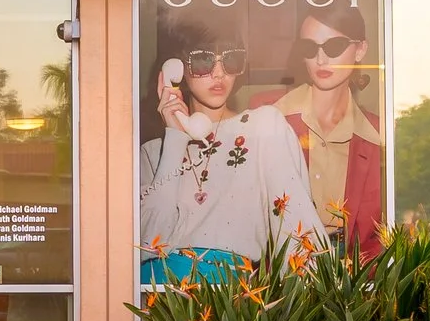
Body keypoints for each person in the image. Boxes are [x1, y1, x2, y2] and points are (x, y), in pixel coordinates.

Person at [138, 17, 325, 282]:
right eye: (203, 60)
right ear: (176, 70)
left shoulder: (263, 127)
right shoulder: (153, 153)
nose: (219, 73)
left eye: (231, 60)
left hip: (230, 305)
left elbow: (297, 227)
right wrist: (175, 138)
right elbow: (147, 244)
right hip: (158, 304)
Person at [256, 0, 386, 258]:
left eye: (334, 46)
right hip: (284, 273)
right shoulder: (269, 118)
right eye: (309, 47)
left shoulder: (377, 134)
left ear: (360, 50)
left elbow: (381, 233)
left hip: (355, 279)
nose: (321, 58)